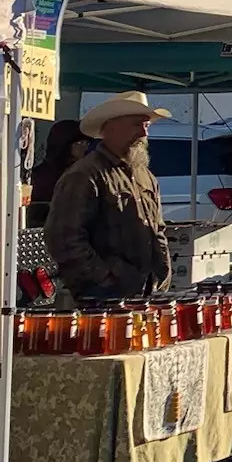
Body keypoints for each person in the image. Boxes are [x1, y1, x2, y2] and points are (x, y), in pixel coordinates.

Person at [45, 91, 172, 305]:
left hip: (146, 292)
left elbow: (158, 229)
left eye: (147, 126)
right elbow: (63, 238)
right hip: (102, 298)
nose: (143, 133)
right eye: (136, 125)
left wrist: (163, 272)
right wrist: (104, 277)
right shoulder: (85, 174)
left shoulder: (145, 176)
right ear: (110, 127)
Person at [26, 118, 88, 228]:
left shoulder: (82, 171)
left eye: (86, 142)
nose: (85, 147)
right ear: (65, 144)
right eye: (81, 142)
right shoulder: (43, 176)